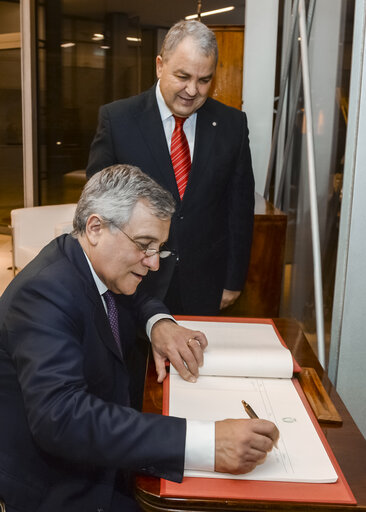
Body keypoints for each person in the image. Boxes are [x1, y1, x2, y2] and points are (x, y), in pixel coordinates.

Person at [0, 165, 277, 512]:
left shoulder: (89, 262)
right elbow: (63, 418)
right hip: (62, 489)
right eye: (145, 246)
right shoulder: (44, 295)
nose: (153, 263)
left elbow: (134, 297)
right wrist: (208, 441)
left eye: (158, 248)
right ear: (96, 227)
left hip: (102, 461)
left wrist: (158, 323)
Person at [86, 20, 255, 315]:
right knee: (135, 361)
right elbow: (96, 206)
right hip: (133, 283)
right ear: (160, 66)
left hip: (205, 284)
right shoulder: (118, 121)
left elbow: (239, 209)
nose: (192, 90)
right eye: (183, 76)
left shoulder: (232, 125)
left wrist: (233, 279)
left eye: (204, 80)